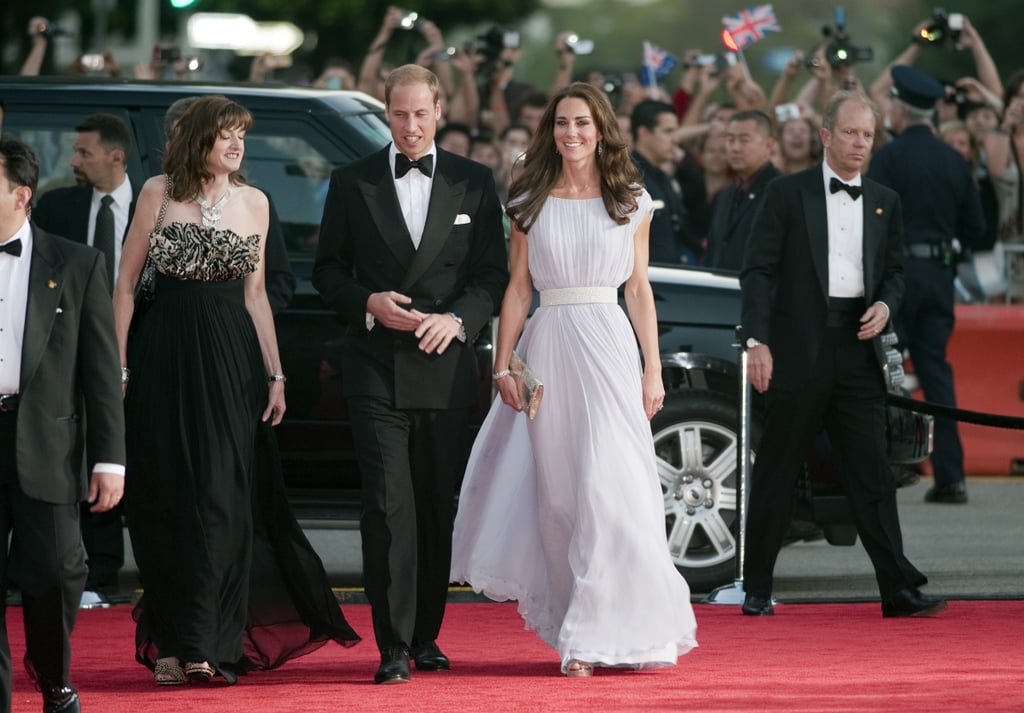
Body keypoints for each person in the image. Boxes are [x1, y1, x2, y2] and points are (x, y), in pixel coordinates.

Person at [450, 82, 698, 676]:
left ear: (601, 129)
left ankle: (601, 633)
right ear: (550, 130)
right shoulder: (529, 198)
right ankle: (574, 627)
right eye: (562, 123)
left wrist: (653, 366)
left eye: (582, 123)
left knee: (612, 490)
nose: (572, 133)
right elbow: (517, 289)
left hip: (610, 346)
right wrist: (502, 361)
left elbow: (639, 289)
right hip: (550, 347)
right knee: (560, 498)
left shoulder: (631, 199)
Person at [113, 95, 359, 686]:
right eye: (226, 135)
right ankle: (175, 637)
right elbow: (124, 287)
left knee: (224, 501)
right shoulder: (157, 193)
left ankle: (210, 644)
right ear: (198, 138)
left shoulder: (256, 202)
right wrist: (117, 367)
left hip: (231, 364)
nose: (237, 146)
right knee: (167, 499)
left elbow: (254, 297)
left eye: (241, 136)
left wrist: (275, 375)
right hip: (163, 359)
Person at [312, 64, 508, 684]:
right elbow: (328, 272)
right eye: (400, 114)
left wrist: (457, 321)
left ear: (440, 111)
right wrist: (367, 302)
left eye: (421, 114)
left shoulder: (474, 182)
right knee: (387, 505)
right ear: (387, 115)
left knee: (431, 505)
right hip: (372, 365)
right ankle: (392, 644)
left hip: (445, 366)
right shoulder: (352, 181)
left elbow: (492, 276)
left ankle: (427, 636)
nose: (411, 126)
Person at [739, 90, 947, 619]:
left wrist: (885, 304)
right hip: (797, 349)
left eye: (869, 135)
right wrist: (756, 341)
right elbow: (758, 270)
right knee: (779, 468)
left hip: (858, 348)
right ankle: (757, 586)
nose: (860, 144)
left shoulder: (884, 199)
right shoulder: (787, 194)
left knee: (871, 471)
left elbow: (896, 272)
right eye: (851, 133)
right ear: (826, 135)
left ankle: (897, 589)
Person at [0, 136, 125, 713]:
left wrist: (109, 459)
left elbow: (101, 372)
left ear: (21, 195)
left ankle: (54, 679)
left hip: (46, 441)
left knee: (56, 573)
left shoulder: (76, 263)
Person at [869, 66, 986, 505]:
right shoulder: (954, 160)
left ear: (900, 108)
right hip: (939, 277)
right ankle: (951, 476)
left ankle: (885, 471)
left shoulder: (889, 159)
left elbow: (873, 222)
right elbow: (978, 229)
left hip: (896, 279)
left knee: (885, 375)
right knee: (936, 373)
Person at [31, 113, 134, 602]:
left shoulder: (156, 206)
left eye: (84, 152)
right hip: (70, 354)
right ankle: (92, 570)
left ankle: (124, 570)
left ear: (116, 156)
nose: (74, 161)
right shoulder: (58, 207)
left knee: (128, 455)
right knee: (81, 452)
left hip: (143, 354)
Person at [705, 110, 781, 271]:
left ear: (769, 145)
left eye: (744, 140)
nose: (735, 148)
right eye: (730, 140)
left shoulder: (782, 192)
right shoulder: (724, 195)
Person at [630, 99, 699, 264]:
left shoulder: (663, 179)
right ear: (644, 133)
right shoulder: (626, 179)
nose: (675, 139)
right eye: (668, 131)